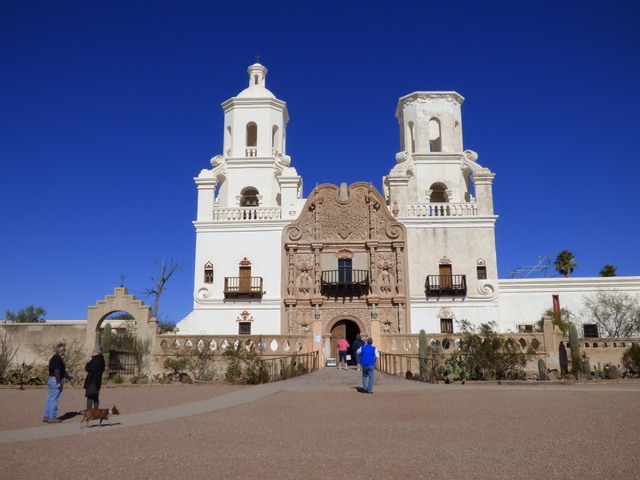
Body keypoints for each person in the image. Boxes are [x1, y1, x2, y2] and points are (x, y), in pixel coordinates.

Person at [43, 343, 70, 423]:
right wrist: (58, 382)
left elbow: (60, 371)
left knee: (50, 399)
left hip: (51, 379)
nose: (65, 352)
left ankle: (47, 416)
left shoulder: (53, 358)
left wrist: (68, 376)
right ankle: (52, 417)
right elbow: (57, 370)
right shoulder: (58, 359)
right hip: (55, 380)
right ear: (61, 351)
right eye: (64, 350)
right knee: (54, 399)